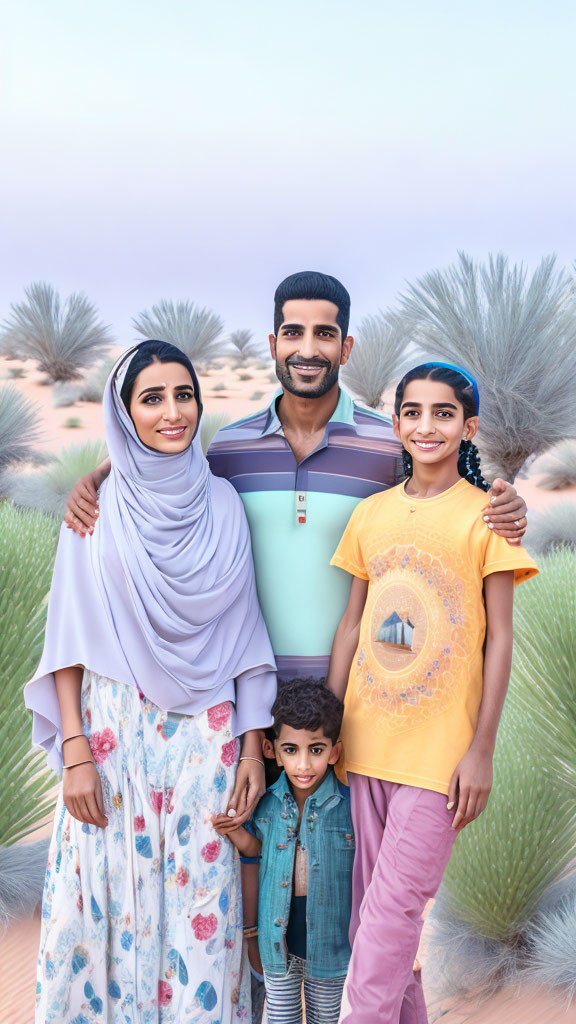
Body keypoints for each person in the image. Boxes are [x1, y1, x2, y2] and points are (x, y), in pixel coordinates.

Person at [62, 272, 528, 1017]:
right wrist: (99, 473)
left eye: (323, 334)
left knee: (351, 911)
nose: (307, 349)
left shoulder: (386, 439)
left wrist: (506, 499)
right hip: (246, 711)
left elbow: (448, 489)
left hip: (354, 720)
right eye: (292, 332)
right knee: (254, 894)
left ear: (346, 345)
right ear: (274, 340)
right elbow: (166, 466)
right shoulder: (234, 446)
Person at [25, 340, 277, 1023]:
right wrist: (74, 753)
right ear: (123, 412)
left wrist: (254, 749)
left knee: (203, 914)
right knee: (105, 911)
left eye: (184, 394)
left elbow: (246, 635)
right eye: (152, 398)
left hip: (208, 742)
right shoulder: (94, 511)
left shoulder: (224, 505)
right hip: (111, 738)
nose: (173, 412)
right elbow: (68, 643)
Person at [326, 362, 538, 1024]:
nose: (426, 426)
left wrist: (481, 751)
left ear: (468, 427)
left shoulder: (487, 521)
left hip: (437, 765)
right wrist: (328, 722)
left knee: (388, 923)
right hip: (362, 748)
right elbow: (353, 624)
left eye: (443, 413)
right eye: (412, 412)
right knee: (378, 929)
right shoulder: (370, 515)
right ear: (395, 424)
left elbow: (499, 640)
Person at [212, 680, 353, 1024]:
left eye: (316, 750)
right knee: (280, 1017)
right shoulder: (267, 805)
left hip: (333, 948)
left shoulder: (349, 807)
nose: (303, 764)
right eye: (291, 750)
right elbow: (258, 853)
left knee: (328, 1019)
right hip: (278, 945)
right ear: (270, 749)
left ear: (334, 752)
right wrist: (236, 834)